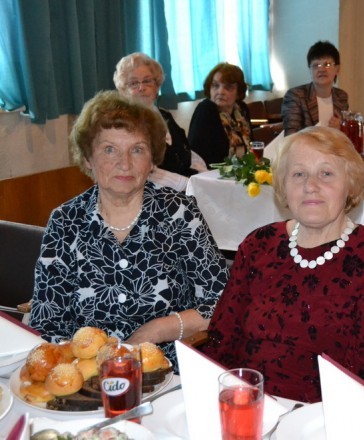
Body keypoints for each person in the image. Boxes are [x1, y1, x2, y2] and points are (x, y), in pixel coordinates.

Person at [202, 126, 364, 402]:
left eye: (326, 173)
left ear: (349, 184)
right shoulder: (258, 245)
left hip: (327, 410)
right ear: (283, 187)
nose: (311, 185)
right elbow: (222, 338)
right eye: (299, 174)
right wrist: (229, 399)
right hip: (249, 403)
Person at [29, 91, 229, 366]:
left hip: (167, 368)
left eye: (137, 149)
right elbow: (47, 322)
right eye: (109, 149)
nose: (124, 163)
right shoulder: (65, 221)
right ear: (88, 158)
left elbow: (223, 300)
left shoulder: (178, 212)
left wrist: (157, 329)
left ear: (152, 160)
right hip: (88, 373)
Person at [113, 52, 207, 192]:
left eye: (147, 81)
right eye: (134, 83)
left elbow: (187, 153)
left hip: (185, 188)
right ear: (123, 90)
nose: (141, 88)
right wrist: (187, 184)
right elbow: (145, 171)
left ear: (156, 87)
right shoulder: (125, 124)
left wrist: (204, 175)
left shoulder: (165, 115)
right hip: (149, 194)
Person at [188, 63, 252, 165]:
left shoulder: (242, 109)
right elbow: (198, 156)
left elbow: (250, 144)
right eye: (215, 86)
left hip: (242, 168)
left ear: (238, 92)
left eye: (228, 87)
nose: (220, 91)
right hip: (214, 171)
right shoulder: (205, 110)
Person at [281, 41, 349, 135]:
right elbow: (291, 136)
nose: (321, 69)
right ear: (310, 69)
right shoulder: (295, 96)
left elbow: (348, 136)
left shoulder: (341, 97)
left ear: (337, 69)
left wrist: (341, 129)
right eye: (316, 65)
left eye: (327, 64)